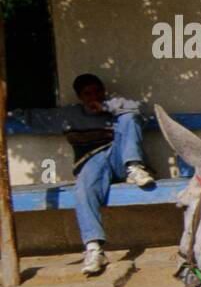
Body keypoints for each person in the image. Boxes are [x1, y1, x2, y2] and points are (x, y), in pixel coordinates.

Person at [10, 73, 155, 275]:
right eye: (88, 93)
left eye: (98, 91)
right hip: (92, 163)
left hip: (119, 160)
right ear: (79, 96)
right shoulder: (71, 115)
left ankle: (134, 167)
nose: (93, 96)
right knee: (83, 190)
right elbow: (36, 118)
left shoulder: (116, 105)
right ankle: (94, 249)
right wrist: (11, 109)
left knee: (129, 118)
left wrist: (105, 108)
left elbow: (138, 110)